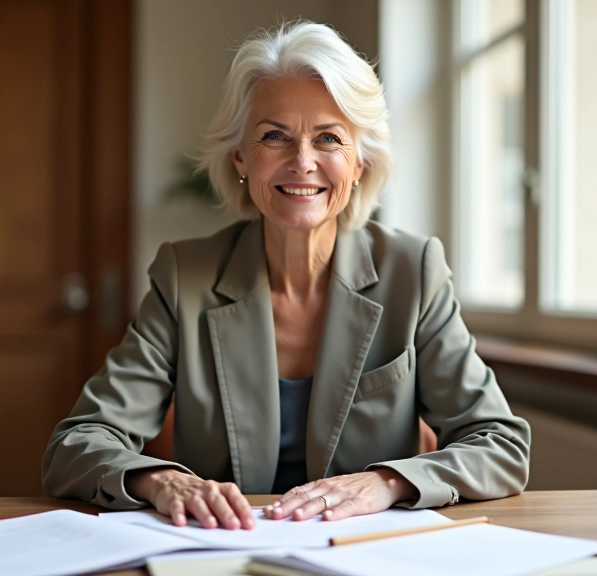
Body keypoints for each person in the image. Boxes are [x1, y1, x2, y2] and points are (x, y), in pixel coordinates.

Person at [42, 21, 530, 531]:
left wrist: (386, 482)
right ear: (241, 159)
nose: (303, 162)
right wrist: (161, 481)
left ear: (360, 162)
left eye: (329, 139)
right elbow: (76, 445)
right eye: (275, 136)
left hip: (367, 556)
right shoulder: (184, 277)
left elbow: (500, 443)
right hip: (223, 550)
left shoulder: (414, 272)